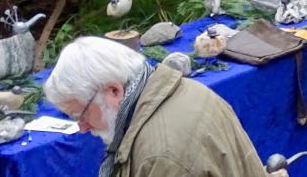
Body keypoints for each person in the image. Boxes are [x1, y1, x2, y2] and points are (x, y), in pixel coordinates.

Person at [44, 36, 266, 177]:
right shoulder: (179, 90)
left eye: (80, 114)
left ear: (114, 91)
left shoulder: (161, 156)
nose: (82, 127)